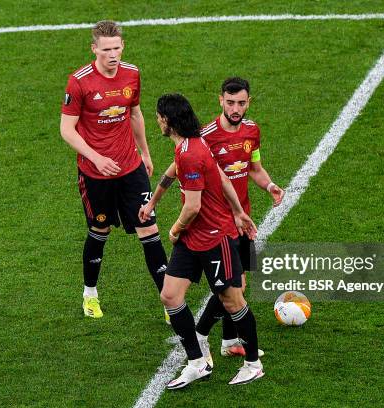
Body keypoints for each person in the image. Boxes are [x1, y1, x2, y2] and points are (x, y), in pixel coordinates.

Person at [141, 77, 284, 356]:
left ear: (248, 103)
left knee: (237, 286)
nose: (235, 108)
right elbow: (173, 170)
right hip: (216, 223)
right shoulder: (204, 136)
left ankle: (229, 342)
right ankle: (204, 333)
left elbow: (254, 168)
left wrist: (268, 186)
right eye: (230, 102)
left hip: (241, 217)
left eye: (241, 103)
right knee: (234, 287)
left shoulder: (252, 131)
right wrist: (153, 201)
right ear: (220, 100)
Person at [154, 93, 264, 389]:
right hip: (194, 238)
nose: (158, 122)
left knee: (232, 299)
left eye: (159, 117)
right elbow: (223, 179)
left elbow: (193, 207)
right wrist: (239, 212)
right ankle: (197, 361)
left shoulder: (191, 151)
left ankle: (253, 364)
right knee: (170, 295)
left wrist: (175, 230)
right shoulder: (191, 144)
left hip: (214, 237)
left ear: (167, 121)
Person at [60, 20, 167, 319]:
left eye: (117, 48)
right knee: (100, 230)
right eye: (106, 49)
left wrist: (145, 152)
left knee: (150, 229)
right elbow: (67, 130)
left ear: (123, 46)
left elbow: (134, 113)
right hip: (96, 174)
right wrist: (96, 158)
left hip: (130, 167)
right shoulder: (79, 82)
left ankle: (170, 302)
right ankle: (90, 295)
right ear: (94, 49)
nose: (112, 54)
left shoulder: (132, 74)